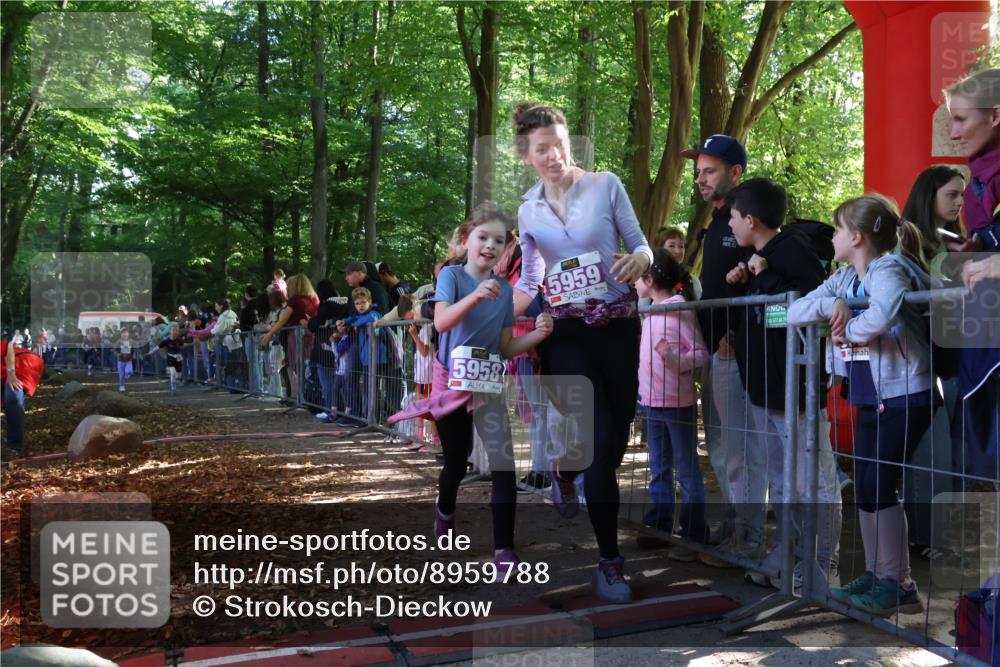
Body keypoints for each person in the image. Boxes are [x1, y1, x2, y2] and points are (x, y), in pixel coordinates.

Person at [511, 103, 652, 603]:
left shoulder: (606, 185)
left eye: (560, 142)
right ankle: (610, 563)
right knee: (598, 443)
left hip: (616, 329)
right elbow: (530, 280)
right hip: (567, 334)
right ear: (525, 155)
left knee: (612, 445)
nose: (554, 155)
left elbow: (642, 247)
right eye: (542, 148)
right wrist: (488, 316)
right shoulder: (528, 210)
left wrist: (640, 258)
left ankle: (565, 472)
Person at [388, 202, 554, 573]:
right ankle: (444, 511)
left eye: (500, 240)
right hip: (451, 385)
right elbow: (443, 322)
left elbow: (506, 346)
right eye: (483, 237)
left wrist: (539, 334)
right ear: (466, 239)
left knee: (504, 469)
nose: (490, 246)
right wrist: (476, 296)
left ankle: (503, 550)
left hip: (488, 387)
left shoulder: (506, 293)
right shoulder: (452, 277)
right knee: (456, 463)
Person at [788, 194, 934, 616]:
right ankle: (880, 575)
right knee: (868, 486)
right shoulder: (843, 278)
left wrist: (848, 328)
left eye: (836, 229)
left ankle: (896, 581)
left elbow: (885, 312)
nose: (831, 237)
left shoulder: (887, 267)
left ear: (855, 236)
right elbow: (796, 310)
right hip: (871, 395)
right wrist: (831, 304)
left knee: (880, 485)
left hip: (906, 394)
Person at [725, 178, 841, 591]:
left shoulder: (790, 250)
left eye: (734, 217)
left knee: (817, 480)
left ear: (751, 219)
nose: (731, 226)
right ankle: (786, 557)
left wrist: (766, 277)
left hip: (797, 392)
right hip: (766, 390)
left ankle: (823, 567)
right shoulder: (761, 257)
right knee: (783, 478)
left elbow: (807, 302)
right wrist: (750, 277)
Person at [680, 134, 766, 568]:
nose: (700, 178)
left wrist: (737, 333)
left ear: (735, 172)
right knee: (720, 446)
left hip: (738, 353)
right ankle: (735, 529)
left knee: (741, 451)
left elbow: (765, 279)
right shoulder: (715, 223)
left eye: (709, 170)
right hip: (714, 352)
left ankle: (746, 543)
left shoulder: (749, 219)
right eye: (698, 171)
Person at [636, 247, 710, 560]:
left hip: (676, 403)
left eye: (638, 277)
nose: (634, 282)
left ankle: (694, 532)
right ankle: (659, 524)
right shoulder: (649, 310)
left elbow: (701, 354)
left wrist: (674, 358)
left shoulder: (678, 309)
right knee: (659, 467)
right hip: (651, 402)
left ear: (650, 280)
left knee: (687, 469)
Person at [946, 68, 1000, 252]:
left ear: (995, 116)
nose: (953, 134)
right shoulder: (974, 187)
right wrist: (977, 249)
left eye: (960, 120)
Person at [260, 274, 319, 402]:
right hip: (311, 336)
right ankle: (306, 397)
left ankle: (299, 397)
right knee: (307, 366)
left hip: (297, 337)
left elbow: (282, 321)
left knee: (296, 366)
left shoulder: (295, 300)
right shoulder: (313, 299)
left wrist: (269, 335)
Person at [900, 165, 967, 278]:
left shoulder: (946, 241)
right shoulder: (905, 239)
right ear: (928, 196)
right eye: (952, 195)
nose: (961, 202)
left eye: (962, 195)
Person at [2, 332, 44, 453]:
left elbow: (8, 347)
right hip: (4, 371)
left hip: (22, 365)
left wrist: (11, 374)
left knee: (12, 397)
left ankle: (14, 445)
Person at [653, 227, 703, 300]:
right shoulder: (650, 278)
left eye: (681, 246)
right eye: (671, 246)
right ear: (660, 249)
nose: (678, 251)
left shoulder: (693, 281)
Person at [153, 325, 187, 395]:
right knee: (172, 373)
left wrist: (191, 344)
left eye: (176, 330)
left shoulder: (179, 340)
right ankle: (173, 387)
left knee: (178, 375)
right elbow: (157, 347)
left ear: (177, 332)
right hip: (170, 357)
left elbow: (183, 346)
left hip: (178, 357)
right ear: (170, 331)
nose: (174, 332)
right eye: (173, 330)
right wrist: (150, 353)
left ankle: (175, 381)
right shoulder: (166, 340)